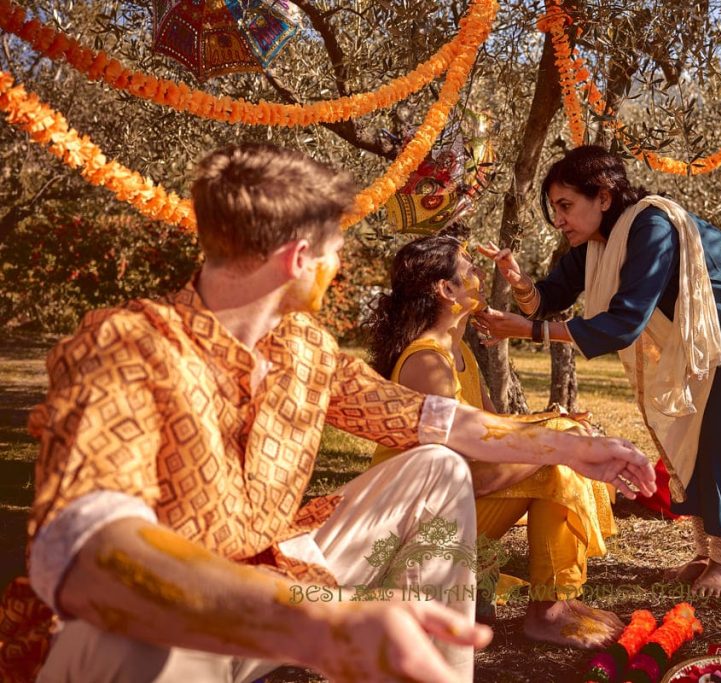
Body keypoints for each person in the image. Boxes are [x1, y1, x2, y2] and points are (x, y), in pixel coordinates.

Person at [0, 143, 657, 683]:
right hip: (167, 627)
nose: (341, 268)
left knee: (434, 469)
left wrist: (567, 448)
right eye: (337, 251)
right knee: (121, 635)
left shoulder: (307, 350)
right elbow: (87, 555)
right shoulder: (128, 342)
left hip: (285, 583)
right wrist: (318, 625)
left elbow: (436, 422)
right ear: (298, 259)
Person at [475, 145, 721, 598]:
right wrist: (519, 282)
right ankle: (704, 555)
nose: (559, 220)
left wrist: (529, 330)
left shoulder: (651, 226)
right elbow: (549, 298)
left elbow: (625, 322)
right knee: (696, 429)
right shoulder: (596, 244)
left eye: (566, 206)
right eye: (554, 209)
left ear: (603, 196)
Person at [364, 234, 622, 649]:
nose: (480, 274)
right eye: (469, 267)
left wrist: (552, 425)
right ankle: (548, 611)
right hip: (413, 531)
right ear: (446, 290)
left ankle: (554, 603)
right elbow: (467, 475)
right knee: (559, 466)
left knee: (562, 452)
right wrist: (557, 442)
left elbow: (496, 435)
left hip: (452, 512)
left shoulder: (458, 349)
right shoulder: (427, 361)